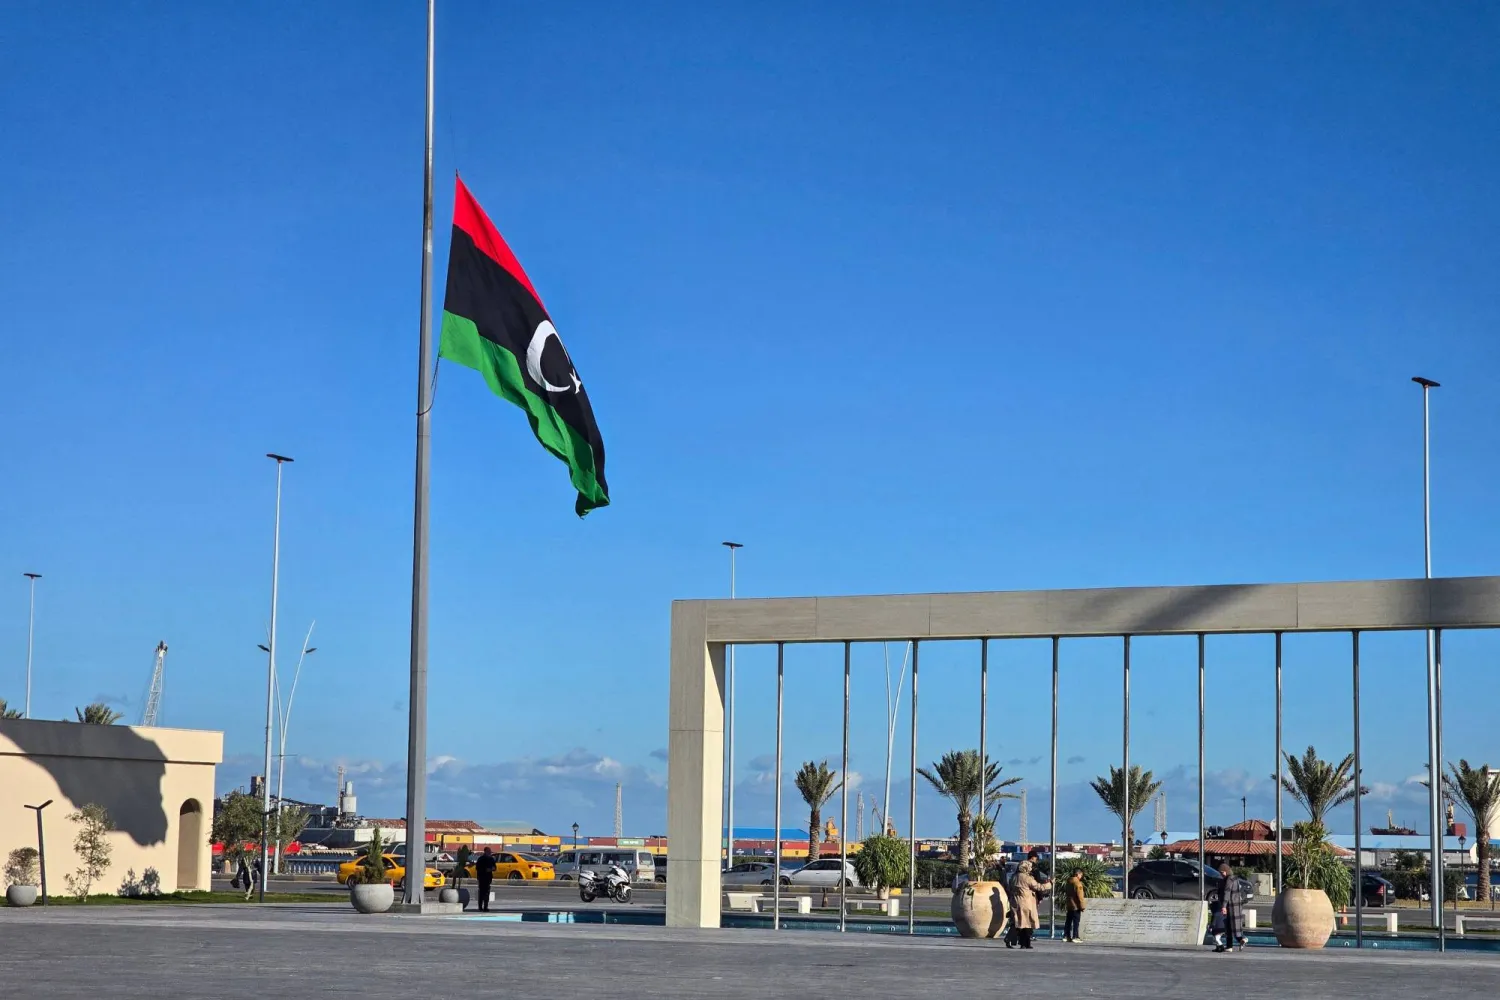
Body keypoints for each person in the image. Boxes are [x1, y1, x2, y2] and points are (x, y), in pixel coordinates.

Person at [1009, 859, 1053, 950]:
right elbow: (1039, 887)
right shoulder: (1027, 878)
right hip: (1027, 903)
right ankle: (1026, 943)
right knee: (1027, 925)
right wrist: (1050, 884)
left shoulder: (1014, 877)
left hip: (1016, 902)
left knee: (1020, 924)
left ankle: (1022, 943)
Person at [1215, 863, 1245, 953]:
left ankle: (1230, 946)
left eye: (1222, 872)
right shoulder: (1235, 879)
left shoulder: (1228, 880)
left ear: (1227, 871)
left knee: (1228, 926)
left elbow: (1226, 893)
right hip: (1237, 905)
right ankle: (1241, 940)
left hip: (1230, 905)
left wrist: (1224, 906)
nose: (1221, 874)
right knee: (1235, 926)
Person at [1064, 868, 1086, 943]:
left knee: (1068, 921)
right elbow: (1080, 896)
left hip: (1069, 904)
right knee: (1076, 922)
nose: (1081, 876)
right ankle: (1075, 936)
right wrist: (1082, 906)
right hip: (1076, 906)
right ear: (1077, 874)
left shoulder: (1068, 882)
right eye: (1081, 875)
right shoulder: (1078, 883)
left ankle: (1066, 936)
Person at [474, 848, 498, 912]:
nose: (490, 852)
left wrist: (492, 869)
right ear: (485, 851)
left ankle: (485, 907)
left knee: (487, 893)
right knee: (481, 892)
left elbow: (495, 867)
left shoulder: (491, 859)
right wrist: (485, 870)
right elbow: (477, 868)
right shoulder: (481, 859)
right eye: (488, 851)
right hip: (482, 878)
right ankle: (480, 907)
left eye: (490, 851)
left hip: (488, 878)